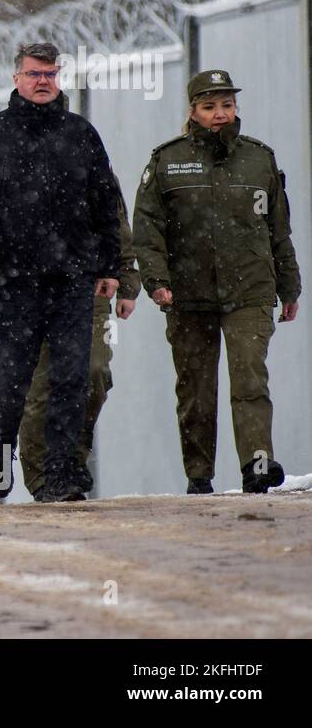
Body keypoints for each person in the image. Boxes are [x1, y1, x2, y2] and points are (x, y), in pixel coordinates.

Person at [0, 42, 122, 503]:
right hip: (12, 280)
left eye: (49, 73)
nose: (42, 81)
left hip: (72, 279)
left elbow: (107, 202)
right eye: (33, 74)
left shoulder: (81, 134)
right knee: (11, 382)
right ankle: (2, 450)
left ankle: (60, 474)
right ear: (16, 78)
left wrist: (110, 266)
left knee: (72, 377)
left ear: (58, 77)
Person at [133, 68, 300, 494]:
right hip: (188, 294)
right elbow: (147, 230)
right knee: (195, 390)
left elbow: (279, 229)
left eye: (227, 105)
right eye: (210, 106)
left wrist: (290, 285)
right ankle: (199, 475)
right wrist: (156, 281)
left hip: (250, 288)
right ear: (193, 111)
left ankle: (257, 465)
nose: (220, 114)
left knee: (250, 380)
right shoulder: (167, 161)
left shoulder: (259, 159)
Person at [0, 155, 140, 499]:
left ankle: (70, 461)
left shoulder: (86, 155)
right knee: (38, 387)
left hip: (84, 289)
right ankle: (44, 477)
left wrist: (127, 279)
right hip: (21, 290)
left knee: (93, 375)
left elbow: (114, 224)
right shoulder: (2, 157)